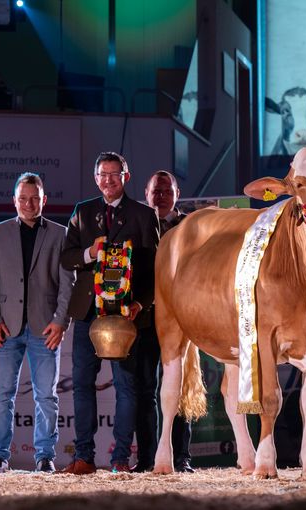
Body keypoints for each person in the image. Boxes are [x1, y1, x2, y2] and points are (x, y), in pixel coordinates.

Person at [60, 151, 159, 474]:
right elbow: (67, 258)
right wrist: (91, 252)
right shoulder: (82, 212)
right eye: (103, 174)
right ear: (95, 177)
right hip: (88, 310)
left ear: (126, 177)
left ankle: (119, 459)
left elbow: (155, 271)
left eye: (114, 174)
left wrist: (140, 304)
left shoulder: (144, 215)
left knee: (126, 387)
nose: (108, 180)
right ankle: (84, 457)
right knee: (82, 384)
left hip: (126, 314)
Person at [0, 173, 75, 474]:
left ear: (44, 200)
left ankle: (45, 456)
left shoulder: (60, 234)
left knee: (46, 396)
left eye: (34, 198)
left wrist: (61, 321)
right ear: (14, 201)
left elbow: (66, 284)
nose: (29, 204)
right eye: (23, 198)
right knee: (1, 395)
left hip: (45, 328)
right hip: (6, 329)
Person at [134, 170, 194, 473]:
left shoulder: (191, 226)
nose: (161, 197)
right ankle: (146, 459)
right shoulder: (136, 224)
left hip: (183, 322)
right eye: (155, 191)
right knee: (144, 390)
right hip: (143, 320)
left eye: (166, 191)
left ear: (177, 194)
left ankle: (181, 457)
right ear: (146, 194)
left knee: (181, 389)